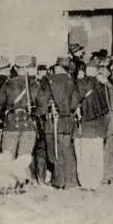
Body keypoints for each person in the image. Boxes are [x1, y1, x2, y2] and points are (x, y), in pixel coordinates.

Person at [36, 57, 81, 190]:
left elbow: (42, 101)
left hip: (53, 121)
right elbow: (74, 103)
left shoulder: (48, 80)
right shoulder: (72, 81)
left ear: (57, 67)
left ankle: (58, 181)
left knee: (54, 150)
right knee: (67, 150)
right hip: (67, 121)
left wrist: (39, 113)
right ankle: (71, 181)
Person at [0, 55, 39, 185]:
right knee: (24, 157)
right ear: (28, 68)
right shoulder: (34, 84)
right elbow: (41, 104)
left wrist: (5, 116)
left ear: (17, 68)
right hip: (28, 124)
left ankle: (9, 183)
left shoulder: (8, 83)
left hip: (11, 124)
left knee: (8, 156)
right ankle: (22, 183)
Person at [73, 58, 110, 191]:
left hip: (83, 127)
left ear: (86, 70)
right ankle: (96, 183)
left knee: (83, 156)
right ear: (96, 71)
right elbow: (107, 108)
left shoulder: (78, 84)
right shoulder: (102, 85)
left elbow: (73, 104)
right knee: (97, 157)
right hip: (98, 128)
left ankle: (85, 183)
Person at [98, 58, 113, 185]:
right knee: (109, 150)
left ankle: (106, 176)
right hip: (112, 123)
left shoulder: (107, 88)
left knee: (107, 150)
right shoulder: (109, 87)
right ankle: (108, 175)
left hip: (109, 124)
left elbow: (108, 108)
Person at [32, 64, 50, 185]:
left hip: (35, 119)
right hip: (41, 120)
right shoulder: (48, 85)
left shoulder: (33, 84)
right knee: (41, 149)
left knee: (36, 149)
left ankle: (37, 177)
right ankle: (41, 177)